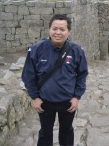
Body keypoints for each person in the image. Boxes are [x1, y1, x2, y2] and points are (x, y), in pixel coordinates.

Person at [22, 14, 88, 146]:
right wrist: (35, 97)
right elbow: (28, 76)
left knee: (67, 131)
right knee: (45, 132)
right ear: (49, 29)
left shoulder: (77, 51)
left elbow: (82, 74)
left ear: (68, 31)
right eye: (54, 28)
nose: (58, 32)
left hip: (68, 102)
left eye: (62, 29)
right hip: (45, 102)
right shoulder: (37, 49)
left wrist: (77, 97)